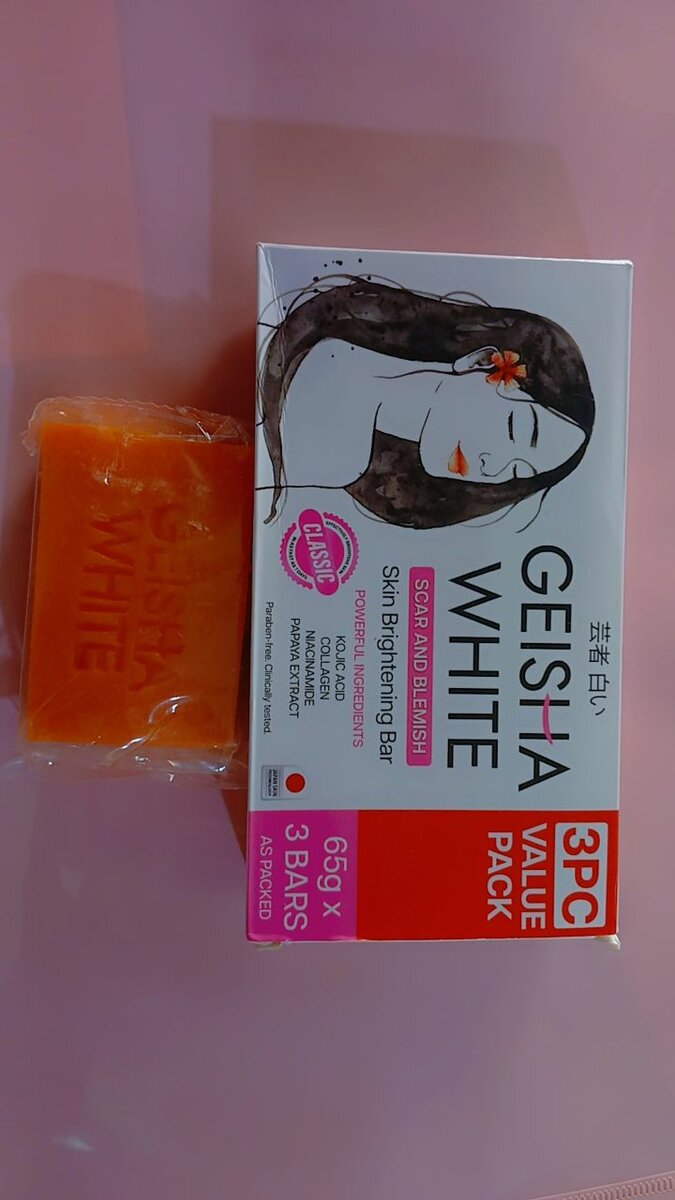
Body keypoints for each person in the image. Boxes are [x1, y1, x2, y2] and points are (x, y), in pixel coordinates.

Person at [258, 277, 594, 531]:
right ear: (479, 363)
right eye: (514, 429)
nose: (492, 467)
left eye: (517, 472)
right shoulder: (313, 365)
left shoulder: (344, 469)